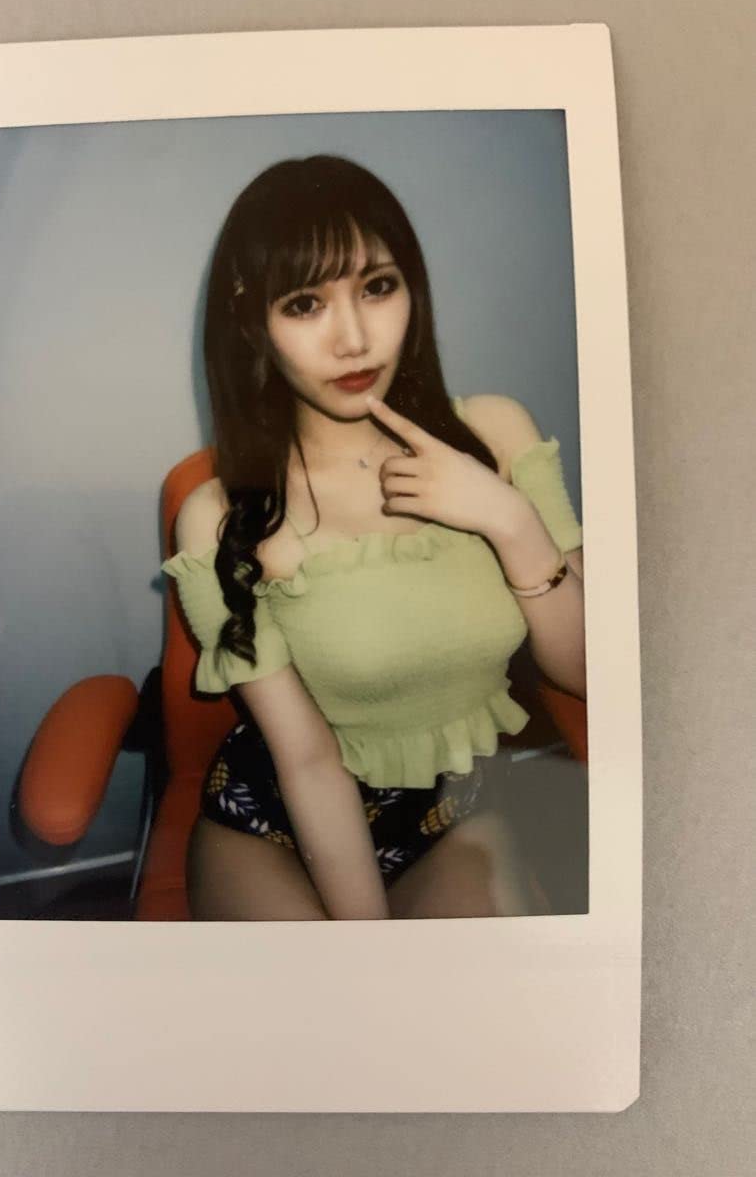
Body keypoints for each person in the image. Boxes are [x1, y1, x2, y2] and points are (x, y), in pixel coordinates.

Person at [162, 155, 585, 921]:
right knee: (327, 999)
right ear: (251, 322)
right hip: (277, 821)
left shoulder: (496, 432)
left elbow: (589, 673)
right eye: (304, 304)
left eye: (378, 288)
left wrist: (511, 521)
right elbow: (307, 759)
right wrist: (369, 950)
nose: (354, 339)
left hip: (447, 813)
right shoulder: (220, 518)